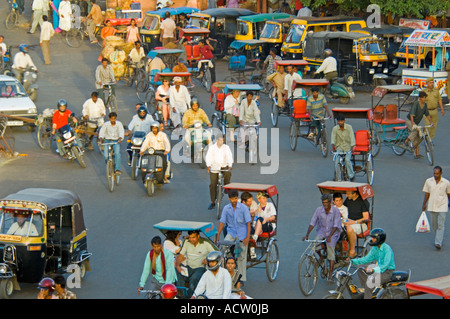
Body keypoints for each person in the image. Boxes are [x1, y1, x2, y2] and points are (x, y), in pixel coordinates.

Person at [302, 194, 342, 281]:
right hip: (322, 231)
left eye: (326, 203)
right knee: (314, 245)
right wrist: (307, 234)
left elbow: (335, 225)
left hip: (333, 232)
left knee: (330, 250)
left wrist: (330, 236)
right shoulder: (319, 210)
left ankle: (330, 275)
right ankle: (321, 258)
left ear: (330, 202)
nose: (325, 205)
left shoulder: (335, 211)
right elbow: (312, 222)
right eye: (323, 203)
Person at [216, 190, 252, 283]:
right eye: (232, 199)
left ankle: (241, 279)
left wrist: (247, 237)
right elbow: (222, 222)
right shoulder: (226, 208)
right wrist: (218, 235)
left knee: (241, 256)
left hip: (242, 234)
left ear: (237, 198)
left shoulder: (243, 208)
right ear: (229, 199)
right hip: (231, 232)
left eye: (235, 198)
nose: (234, 200)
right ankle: (228, 266)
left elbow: (248, 223)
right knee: (224, 247)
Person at [351, 228, 396, 299]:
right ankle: (367, 290)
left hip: (386, 272)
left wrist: (373, 270)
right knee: (360, 267)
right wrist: (353, 261)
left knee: (369, 284)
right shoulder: (375, 248)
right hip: (378, 268)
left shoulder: (387, 249)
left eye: (373, 238)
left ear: (379, 239)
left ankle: (368, 291)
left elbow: (385, 266)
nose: (371, 239)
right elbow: (367, 259)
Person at [176, 230, 216, 298]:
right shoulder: (186, 242)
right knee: (177, 271)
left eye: (193, 237)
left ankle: (189, 296)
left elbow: (215, 253)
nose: (191, 239)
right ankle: (181, 294)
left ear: (198, 236)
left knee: (194, 278)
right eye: (190, 237)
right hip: (189, 267)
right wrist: (177, 266)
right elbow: (181, 255)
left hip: (200, 268)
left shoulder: (205, 243)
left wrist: (207, 259)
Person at [422, 166, 450, 249]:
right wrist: (424, 204)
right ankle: (438, 237)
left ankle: (438, 242)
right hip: (432, 205)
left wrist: (449, 202)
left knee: (441, 225)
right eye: (434, 173)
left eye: (437, 173)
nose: (435, 175)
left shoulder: (446, 182)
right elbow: (427, 193)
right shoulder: (428, 181)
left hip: (442, 206)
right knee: (434, 225)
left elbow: (448, 193)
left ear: (441, 173)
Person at [205, 135, 233, 210]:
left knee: (227, 174)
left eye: (223, 140)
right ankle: (213, 202)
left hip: (224, 165)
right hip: (214, 167)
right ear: (217, 140)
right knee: (213, 184)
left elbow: (229, 156)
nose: (222, 142)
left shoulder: (226, 147)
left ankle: (226, 187)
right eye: (220, 140)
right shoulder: (212, 148)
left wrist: (230, 165)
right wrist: (209, 165)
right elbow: (208, 157)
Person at [404, 91, 433, 159]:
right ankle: (407, 140)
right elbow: (411, 114)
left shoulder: (425, 105)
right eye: (424, 98)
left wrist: (430, 121)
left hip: (416, 122)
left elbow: (427, 114)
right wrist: (413, 123)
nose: (425, 99)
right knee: (416, 131)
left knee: (419, 136)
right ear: (420, 98)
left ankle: (417, 154)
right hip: (409, 121)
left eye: (425, 97)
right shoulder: (416, 104)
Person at [344, 190, 370, 258]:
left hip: (360, 223)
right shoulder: (348, 200)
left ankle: (352, 251)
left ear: (354, 194)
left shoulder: (363, 202)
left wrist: (353, 222)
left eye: (348, 194)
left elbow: (365, 218)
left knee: (349, 229)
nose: (346, 195)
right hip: (349, 221)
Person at [331, 114, 355, 181]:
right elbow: (333, 138)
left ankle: (351, 174)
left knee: (347, 160)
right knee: (337, 161)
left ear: (344, 121)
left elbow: (352, 137)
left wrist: (352, 146)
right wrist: (333, 146)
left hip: (348, 147)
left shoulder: (349, 127)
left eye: (341, 121)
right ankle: (336, 176)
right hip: (339, 147)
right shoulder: (335, 129)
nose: (340, 123)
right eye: (339, 121)